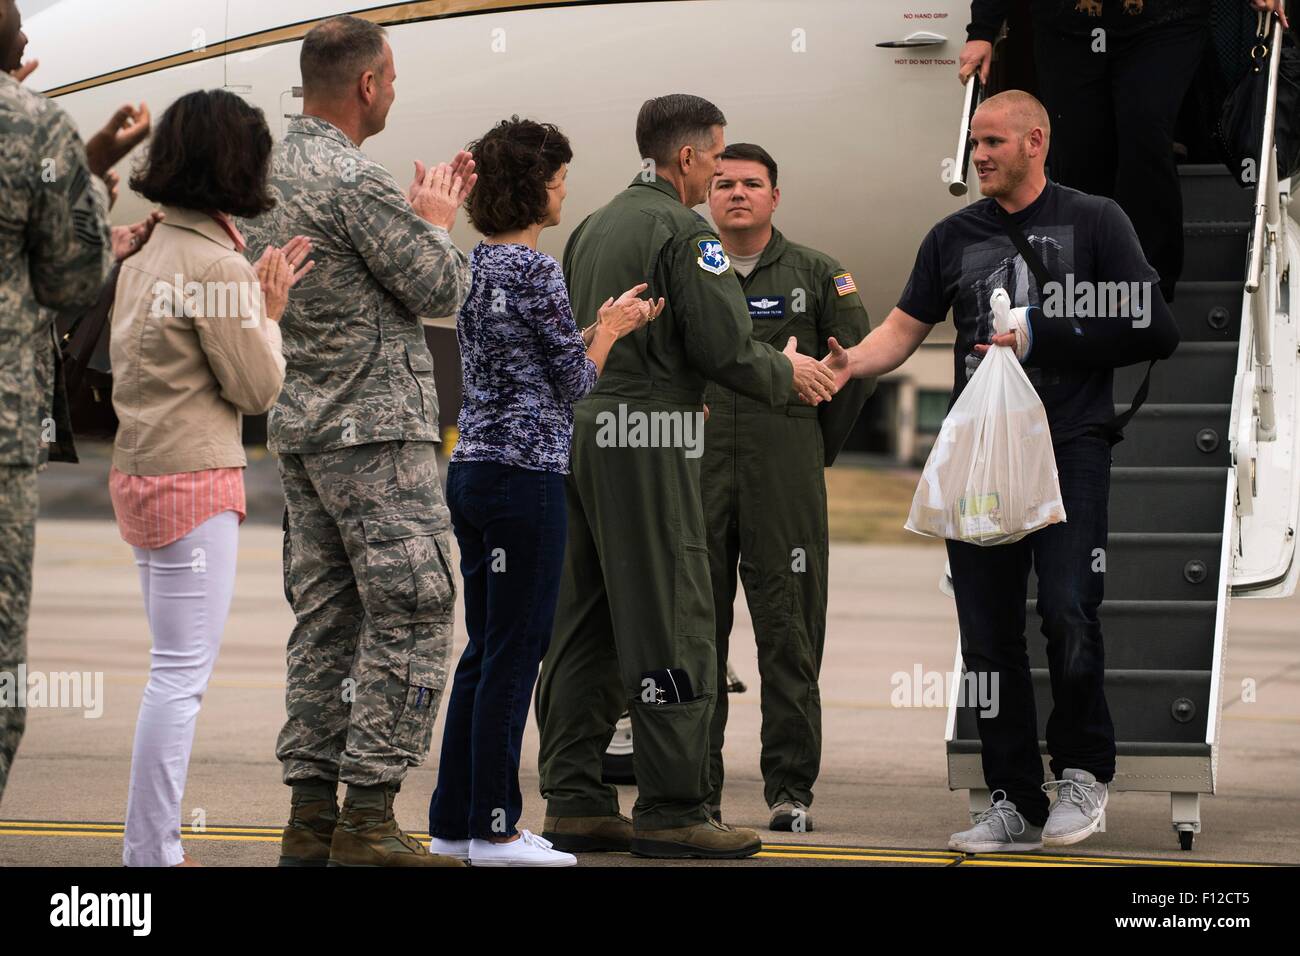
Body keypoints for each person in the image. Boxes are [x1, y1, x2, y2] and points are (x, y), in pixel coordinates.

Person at [822, 91, 1179, 852]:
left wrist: (1041, 335)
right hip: (982, 450)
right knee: (986, 634)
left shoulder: (1095, 220)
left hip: (1067, 445)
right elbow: (901, 329)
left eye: (990, 142)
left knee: (1068, 608)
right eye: (973, 144)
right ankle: (1014, 797)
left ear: (1035, 142)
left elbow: (1155, 326)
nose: (977, 155)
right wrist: (850, 364)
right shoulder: (951, 235)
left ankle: (1083, 769)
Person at [535, 93, 839, 860]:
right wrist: (788, 371)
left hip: (583, 431)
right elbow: (724, 344)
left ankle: (575, 799)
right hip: (649, 436)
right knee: (673, 617)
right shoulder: (683, 231)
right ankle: (672, 807)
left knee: (585, 622)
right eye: (715, 157)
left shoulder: (593, 225)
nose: (718, 173)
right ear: (688, 159)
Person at [240, 14, 474, 868]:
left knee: (326, 621)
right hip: (375, 435)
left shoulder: (258, 175)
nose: (394, 91)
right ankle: (369, 818)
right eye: (393, 78)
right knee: (414, 608)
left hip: (300, 429)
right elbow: (441, 286)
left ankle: (309, 818)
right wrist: (436, 219)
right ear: (369, 84)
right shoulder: (353, 181)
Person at [425, 117, 663, 868]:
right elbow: (575, 381)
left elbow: (528, 359)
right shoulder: (536, 271)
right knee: (517, 653)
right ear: (537, 189)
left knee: (483, 652)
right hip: (527, 476)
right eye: (558, 180)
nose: (564, 193)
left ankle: (454, 821)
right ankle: (496, 827)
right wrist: (615, 328)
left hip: (473, 467)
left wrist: (589, 329)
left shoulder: (470, 267)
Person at [110, 89, 312, 868]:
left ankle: (150, 848)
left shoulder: (150, 249)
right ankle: (151, 853)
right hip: (195, 481)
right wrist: (268, 310)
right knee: (179, 681)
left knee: (170, 671)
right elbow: (258, 390)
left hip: (142, 473)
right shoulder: (216, 262)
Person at [702, 143, 874, 833]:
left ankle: (790, 790)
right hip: (700, 470)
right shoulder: (687, 266)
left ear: (775, 197)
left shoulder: (817, 273)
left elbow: (853, 369)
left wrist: (810, 446)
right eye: (723, 184)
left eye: (751, 184)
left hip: (785, 475)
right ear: (707, 197)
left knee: (790, 633)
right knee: (693, 636)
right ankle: (694, 789)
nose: (736, 194)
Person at [0, 0, 143, 804]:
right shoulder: (28, 125)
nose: (29, 36)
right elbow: (71, 280)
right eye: (18, 23)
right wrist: (86, 178)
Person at [959, 0, 1237, 304]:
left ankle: (1146, 288)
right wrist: (982, 30)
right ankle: (1085, 287)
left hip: (1163, 23)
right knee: (1080, 154)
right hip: (1067, 28)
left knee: (1144, 135)